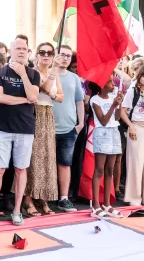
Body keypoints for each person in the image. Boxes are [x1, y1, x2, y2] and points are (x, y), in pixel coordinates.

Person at [0, 37, 39, 226]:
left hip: (25, 128)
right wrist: (24, 100)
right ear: (10, 51)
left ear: (28, 52)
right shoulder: (0, 72)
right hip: (3, 128)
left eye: (25, 49)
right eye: (17, 48)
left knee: (21, 169)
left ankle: (17, 211)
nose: (21, 51)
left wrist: (23, 75)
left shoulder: (32, 74)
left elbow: (34, 95)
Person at [22, 42, 64, 217]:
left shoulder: (54, 73)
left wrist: (53, 94)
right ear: (37, 55)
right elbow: (45, 87)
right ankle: (28, 199)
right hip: (34, 114)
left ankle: (42, 197)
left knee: (47, 158)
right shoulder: (33, 72)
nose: (46, 55)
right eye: (42, 52)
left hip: (49, 116)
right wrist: (53, 74)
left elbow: (60, 97)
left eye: (49, 52)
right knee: (33, 158)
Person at [52, 45, 84, 212]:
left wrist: (80, 124)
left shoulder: (74, 78)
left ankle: (63, 198)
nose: (64, 58)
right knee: (46, 164)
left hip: (69, 128)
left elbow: (79, 100)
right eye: (61, 55)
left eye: (68, 56)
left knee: (65, 163)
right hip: (48, 127)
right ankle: (44, 198)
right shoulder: (48, 74)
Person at [89, 78, 124, 218]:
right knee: (99, 170)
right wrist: (113, 105)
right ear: (101, 85)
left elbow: (116, 118)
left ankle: (107, 204)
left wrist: (119, 104)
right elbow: (103, 121)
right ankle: (96, 205)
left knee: (110, 169)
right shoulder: (95, 100)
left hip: (114, 133)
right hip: (102, 133)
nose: (113, 84)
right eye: (110, 82)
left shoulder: (112, 97)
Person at [121, 67, 144, 206]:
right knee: (135, 164)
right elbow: (123, 111)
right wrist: (131, 126)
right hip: (137, 128)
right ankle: (134, 198)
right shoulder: (133, 91)